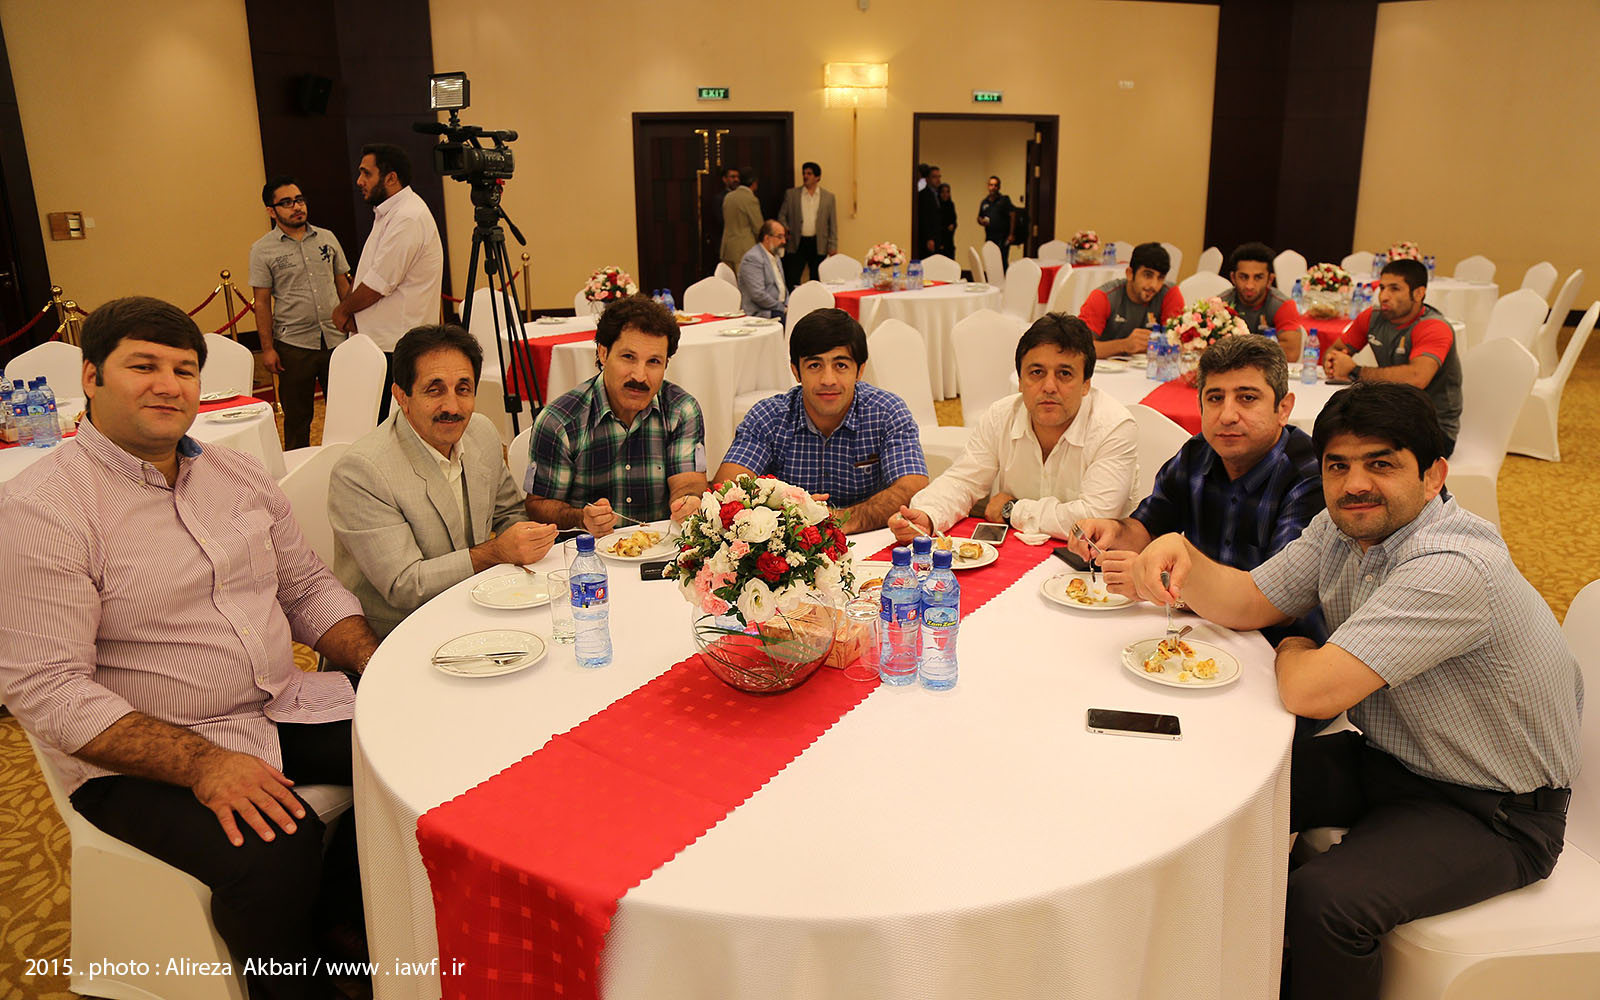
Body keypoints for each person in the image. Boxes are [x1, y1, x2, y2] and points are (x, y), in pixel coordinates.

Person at [1128, 381, 1580, 1000]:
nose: (1355, 484)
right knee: (1221, 784)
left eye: (1381, 464)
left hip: (1495, 811)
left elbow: (1310, 694)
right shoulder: (1340, 531)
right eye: (1338, 466)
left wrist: (1292, 646)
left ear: (1433, 475)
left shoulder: (1450, 566)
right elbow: (1250, 599)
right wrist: (1179, 551)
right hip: (1397, 760)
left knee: (1326, 903)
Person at [0, 296, 382, 1000]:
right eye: (142, 366)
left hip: (276, 704)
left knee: (407, 747)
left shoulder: (237, 476)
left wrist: (372, 663)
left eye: (183, 370)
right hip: (136, 753)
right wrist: (204, 763)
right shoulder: (44, 508)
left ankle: (342, 929)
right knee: (276, 846)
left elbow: (304, 588)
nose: (168, 385)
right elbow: (48, 689)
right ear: (91, 377)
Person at [1067, 335, 1324, 648]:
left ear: (1283, 408)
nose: (1227, 415)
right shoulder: (1198, 453)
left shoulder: (1308, 475)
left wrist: (1160, 587)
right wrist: (1113, 531)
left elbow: (1278, 604)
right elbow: (1148, 527)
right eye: (1215, 398)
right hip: (1198, 633)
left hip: (1275, 647)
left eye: (1247, 398)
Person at [328, 324, 558, 637]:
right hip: (400, 634)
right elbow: (405, 585)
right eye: (434, 390)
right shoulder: (363, 471)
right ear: (401, 396)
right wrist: (495, 552)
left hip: (484, 609)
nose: (452, 407)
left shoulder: (481, 433)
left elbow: (510, 514)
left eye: (463, 389)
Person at [889, 313, 1138, 541]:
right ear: (1020, 380)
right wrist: (927, 515)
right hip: (1016, 550)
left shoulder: (1113, 427)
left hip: (1094, 563)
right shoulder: (1001, 416)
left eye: (1064, 374)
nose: (1049, 387)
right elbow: (963, 481)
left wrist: (1012, 510)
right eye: (1037, 372)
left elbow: (1093, 519)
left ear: (1086, 384)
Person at [717, 308, 929, 534]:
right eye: (815, 366)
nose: (828, 380)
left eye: (841, 365)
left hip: (870, 539)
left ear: (860, 371)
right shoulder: (768, 417)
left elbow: (912, 488)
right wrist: (790, 511)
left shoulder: (886, 412)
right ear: (796, 371)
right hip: (790, 541)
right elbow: (726, 490)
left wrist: (838, 519)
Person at [524, 295, 709, 532]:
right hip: (587, 549)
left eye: (653, 361)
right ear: (603, 353)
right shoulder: (560, 420)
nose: (640, 376)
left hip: (664, 546)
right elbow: (538, 505)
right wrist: (580, 518)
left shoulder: (681, 410)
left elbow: (689, 482)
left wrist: (688, 501)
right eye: (628, 357)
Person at [332, 142, 444, 422]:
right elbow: (371, 273)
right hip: (384, 343)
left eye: (366, 173)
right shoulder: (390, 213)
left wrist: (343, 310)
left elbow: (379, 284)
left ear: (391, 178)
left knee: (392, 426)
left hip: (397, 345)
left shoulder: (408, 216)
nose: (359, 181)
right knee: (380, 425)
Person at [248, 175, 352, 450]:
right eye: (286, 203)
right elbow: (262, 302)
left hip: (336, 339)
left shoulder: (327, 238)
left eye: (299, 200)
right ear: (271, 211)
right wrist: (267, 349)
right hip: (294, 345)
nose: (296, 207)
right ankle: (298, 469)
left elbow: (343, 284)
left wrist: (356, 329)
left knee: (346, 413)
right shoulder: (262, 250)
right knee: (297, 419)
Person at [1323, 257, 1462, 453]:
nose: (1384, 296)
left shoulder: (1433, 327)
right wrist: (1333, 362)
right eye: (1382, 288)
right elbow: (1335, 350)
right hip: (1390, 415)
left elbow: (1417, 378)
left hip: (1433, 428)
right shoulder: (1372, 317)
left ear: (1419, 293)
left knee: (1350, 444)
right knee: (1331, 432)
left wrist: (1354, 370)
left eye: (1394, 289)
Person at [1078, 241, 1186, 358]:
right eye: (1147, 275)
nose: (1154, 285)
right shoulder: (1104, 297)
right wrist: (1124, 345)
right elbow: (1079, 348)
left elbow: (1179, 344)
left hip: (1151, 366)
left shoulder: (1169, 294)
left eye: (1160, 278)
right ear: (1130, 274)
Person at [1218, 241, 1306, 359]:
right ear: (1233, 278)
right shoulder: (1219, 305)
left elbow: (1291, 354)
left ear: (1270, 280)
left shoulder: (1283, 305)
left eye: (1258, 277)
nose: (1250, 285)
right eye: (1243, 277)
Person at [777, 161, 838, 287]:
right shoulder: (792, 194)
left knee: (816, 277)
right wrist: (787, 230)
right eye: (804, 173)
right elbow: (781, 216)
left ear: (817, 177)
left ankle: (815, 299)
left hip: (818, 242)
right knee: (792, 276)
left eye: (809, 174)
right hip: (797, 241)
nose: (805, 176)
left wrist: (833, 245)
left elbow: (832, 223)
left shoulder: (828, 197)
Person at [739, 219, 789, 320]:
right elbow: (758, 294)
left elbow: (782, 287)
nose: (784, 241)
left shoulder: (775, 255)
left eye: (784, 237)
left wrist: (788, 304)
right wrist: (782, 308)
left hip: (778, 308)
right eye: (780, 237)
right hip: (762, 312)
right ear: (767, 238)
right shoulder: (753, 258)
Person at [719, 170, 763, 272]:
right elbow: (758, 227)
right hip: (744, 249)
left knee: (728, 279)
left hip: (727, 248)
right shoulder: (750, 199)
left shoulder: (728, 196)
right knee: (744, 280)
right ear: (754, 183)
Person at [976, 175, 1014, 273]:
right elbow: (979, 217)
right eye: (991, 185)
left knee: (1002, 262)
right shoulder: (984, 202)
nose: (993, 187)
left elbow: (1012, 215)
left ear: (999, 187)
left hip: (1003, 238)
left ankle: (1004, 281)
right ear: (988, 186)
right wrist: (981, 221)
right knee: (990, 263)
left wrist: (1011, 234)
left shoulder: (1004, 200)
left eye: (995, 185)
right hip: (990, 238)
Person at [915, 164, 942, 260]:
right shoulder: (924, 195)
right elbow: (925, 218)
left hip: (937, 236)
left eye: (939, 177)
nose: (938, 180)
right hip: (928, 238)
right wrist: (929, 238)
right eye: (934, 177)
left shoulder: (937, 194)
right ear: (927, 179)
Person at [937, 183, 957, 259]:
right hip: (940, 240)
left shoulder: (951, 205)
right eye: (943, 192)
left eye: (947, 192)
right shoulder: (937, 206)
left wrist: (953, 225)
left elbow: (954, 221)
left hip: (949, 241)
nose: (945, 194)